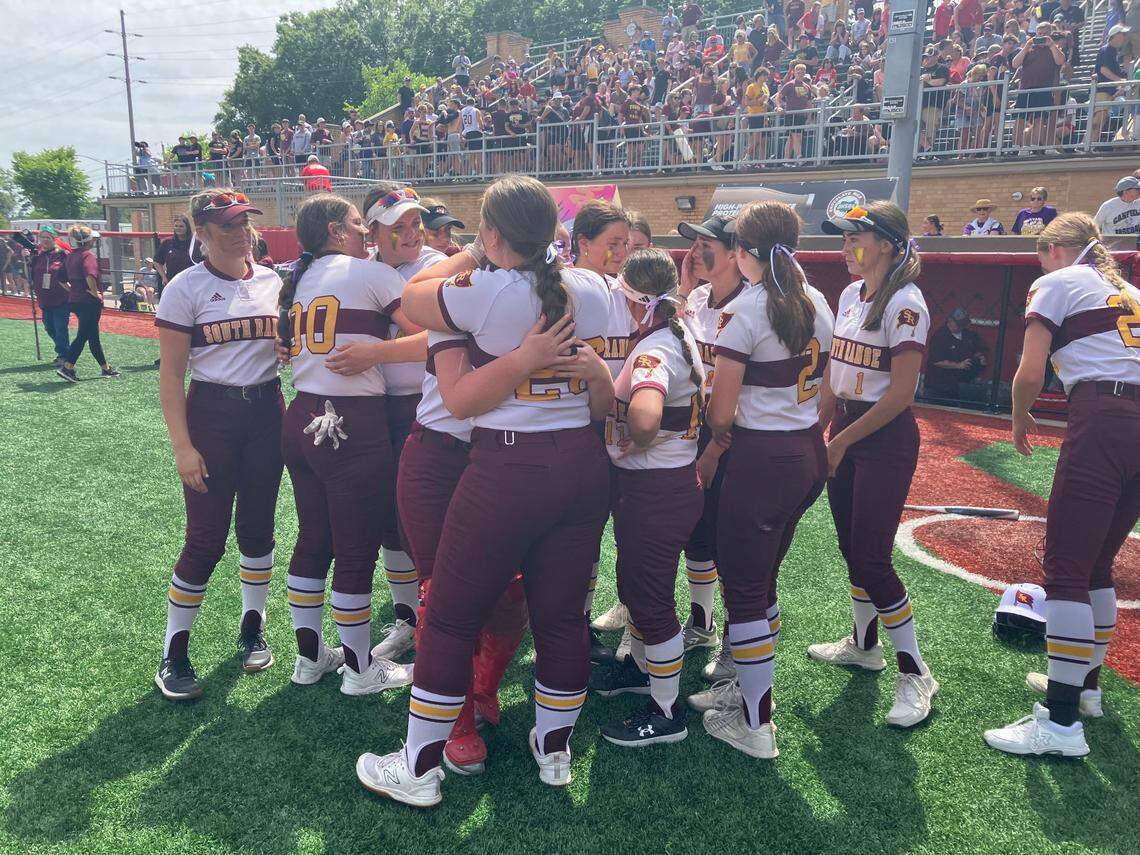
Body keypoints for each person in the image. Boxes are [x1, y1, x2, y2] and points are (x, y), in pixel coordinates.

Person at [356, 174, 614, 807]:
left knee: (445, 615)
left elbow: (414, 298)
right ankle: (555, 753)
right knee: (561, 620)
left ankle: (418, 767)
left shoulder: (485, 291)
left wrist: (472, 251)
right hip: (582, 467)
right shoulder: (594, 287)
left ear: (494, 233)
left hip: (509, 465)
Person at [984, 212, 1140, 757]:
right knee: (1097, 565)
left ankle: (1061, 721)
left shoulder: (1056, 281)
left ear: (1054, 248)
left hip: (1104, 416)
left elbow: (1030, 371)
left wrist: (1019, 414)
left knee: (1067, 568)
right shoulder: (1130, 291)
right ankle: (1085, 688)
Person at [687, 201, 834, 758]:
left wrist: (712, 452)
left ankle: (756, 725)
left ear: (744, 253)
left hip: (758, 459)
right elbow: (830, 386)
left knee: (745, 590)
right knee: (762, 581)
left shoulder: (747, 309)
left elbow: (721, 415)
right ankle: (743, 693)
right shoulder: (815, 297)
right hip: (802, 453)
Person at [277, 193, 421, 695]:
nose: (366, 235)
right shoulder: (371, 274)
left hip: (302, 415)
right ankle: (361, 669)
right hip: (351, 423)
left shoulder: (301, 280)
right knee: (356, 550)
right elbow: (434, 336)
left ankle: (310, 657)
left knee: (314, 539)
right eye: (359, 226)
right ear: (337, 231)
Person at [151, 189, 282, 700]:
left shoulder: (272, 279)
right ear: (200, 234)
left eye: (244, 222)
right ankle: (175, 650)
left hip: (268, 411)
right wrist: (182, 446)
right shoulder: (185, 287)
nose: (241, 232)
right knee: (205, 537)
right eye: (227, 225)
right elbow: (170, 376)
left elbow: (280, 346)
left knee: (258, 529)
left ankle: (252, 627)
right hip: (212, 415)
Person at [812, 202, 939, 728]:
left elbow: (901, 395)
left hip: (882, 436)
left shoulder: (906, 303)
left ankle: (915, 672)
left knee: (871, 556)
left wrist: (840, 441)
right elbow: (834, 373)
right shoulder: (849, 294)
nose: (845, 248)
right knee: (852, 548)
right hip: (847, 423)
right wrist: (819, 427)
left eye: (854, 239)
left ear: (886, 243)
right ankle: (866, 645)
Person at [589, 248, 706, 747]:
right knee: (639, 589)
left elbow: (644, 417)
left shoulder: (655, 348)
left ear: (637, 302)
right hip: (669, 483)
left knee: (650, 599)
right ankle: (642, 672)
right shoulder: (676, 334)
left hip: (655, 487)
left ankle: (666, 711)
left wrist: (636, 438)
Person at [678, 215, 751, 678]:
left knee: (732, 543)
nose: (697, 251)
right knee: (696, 531)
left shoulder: (750, 306)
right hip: (696, 430)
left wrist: (715, 449)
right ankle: (702, 622)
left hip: (735, 438)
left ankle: (733, 640)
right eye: (696, 243)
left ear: (734, 253)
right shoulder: (701, 297)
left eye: (708, 244)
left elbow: (741, 398)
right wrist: (685, 292)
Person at [56, 226, 118, 383]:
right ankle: (68, 367)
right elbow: (90, 275)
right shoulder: (87, 256)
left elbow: (61, 279)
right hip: (89, 302)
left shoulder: (70, 256)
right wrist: (94, 292)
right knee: (84, 335)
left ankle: (105, 367)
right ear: (88, 240)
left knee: (92, 334)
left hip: (76, 301)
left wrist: (73, 290)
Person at [924, 307, 988, 399]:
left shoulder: (968, 335)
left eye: (963, 325)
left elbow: (977, 350)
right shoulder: (940, 336)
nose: (960, 327)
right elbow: (937, 361)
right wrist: (958, 365)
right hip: (937, 386)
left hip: (958, 385)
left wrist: (980, 357)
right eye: (958, 324)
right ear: (950, 321)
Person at [29, 226, 70, 365]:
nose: (45, 240)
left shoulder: (63, 254)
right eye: (42, 237)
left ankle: (63, 355)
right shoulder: (37, 256)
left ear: (54, 239)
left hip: (61, 298)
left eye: (48, 237)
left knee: (60, 327)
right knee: (49, 327)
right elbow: (30, 274)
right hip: (44, 299)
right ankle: (64, 350)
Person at [1090, 25, 1130, 147]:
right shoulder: (1107, 49)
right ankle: (1086, 144)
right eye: (1122, 34)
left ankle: (1091, 143)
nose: (1124, 36)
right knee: (1099, 119)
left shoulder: (1113, 52)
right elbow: (1103, 70)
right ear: (1115, 35)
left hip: (1108, 91)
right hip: (1102, 90)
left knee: (1102, 119)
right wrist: (1120, 81)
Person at [156, 215, 195, 294]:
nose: (178, 228)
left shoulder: (195, 243)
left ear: (187, 227)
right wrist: (164, 277)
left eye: (181, 226)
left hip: (191, 284)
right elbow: (157, 261)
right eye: (176, 226)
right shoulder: (167, 243)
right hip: (172, 283)